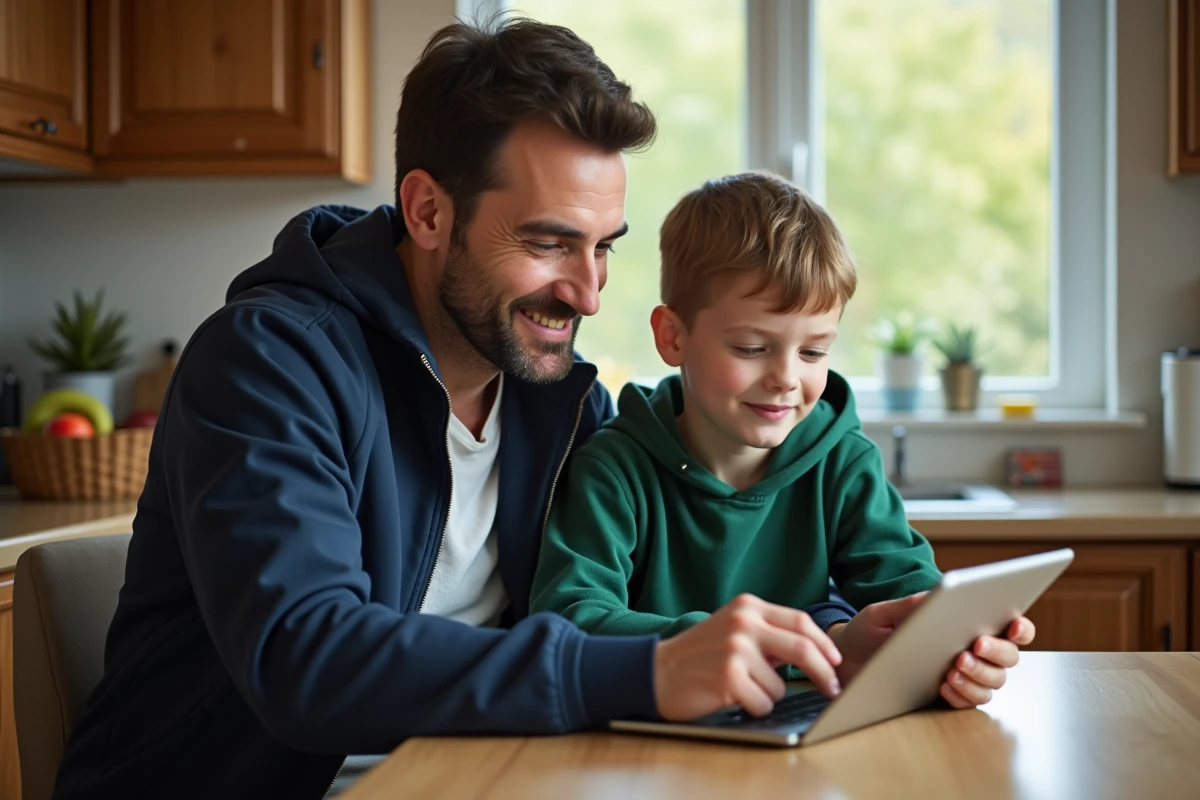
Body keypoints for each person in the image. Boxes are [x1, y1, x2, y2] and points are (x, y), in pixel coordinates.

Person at [53, 20, 861, 800]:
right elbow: (308, 657)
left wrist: (834, 635)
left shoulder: (564, 401)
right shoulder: (267, 364)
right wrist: (646, 671)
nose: (587, 292)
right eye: (549, 243)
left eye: (604, 245)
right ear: (429, 211)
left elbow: (663, 603)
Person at [530, 171, 1035, 713]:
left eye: (814, 352)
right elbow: (569, 616)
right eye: (751, 348)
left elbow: (905, 591)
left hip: (801, 735)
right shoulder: (615, 468)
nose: (786, 379)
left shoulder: (843, 460)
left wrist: (955, 649)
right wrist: (763, 646)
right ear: (673, 337)